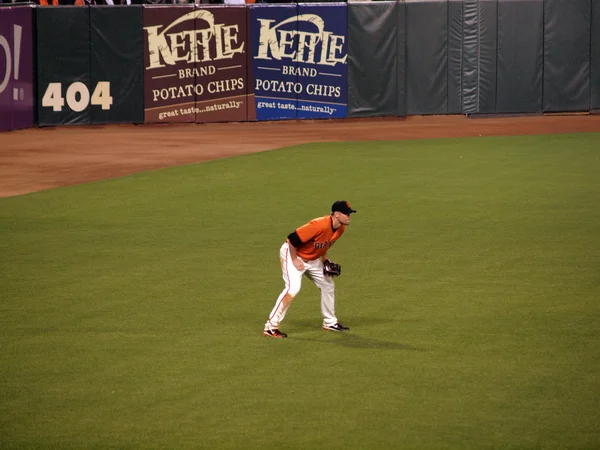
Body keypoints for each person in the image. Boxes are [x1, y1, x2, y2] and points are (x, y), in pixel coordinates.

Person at [263, 200, 357, 338]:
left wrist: (324, 259)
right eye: (346, 214)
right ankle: (270, 327)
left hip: (312, 259)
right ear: (336, 214)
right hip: (292, 254)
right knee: (292, 289)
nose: (349, 216)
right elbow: (292, 239)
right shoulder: (318, 225)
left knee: (328, 285)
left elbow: (325, 244)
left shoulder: (341, 228)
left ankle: (329, 322)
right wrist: (295, 260)